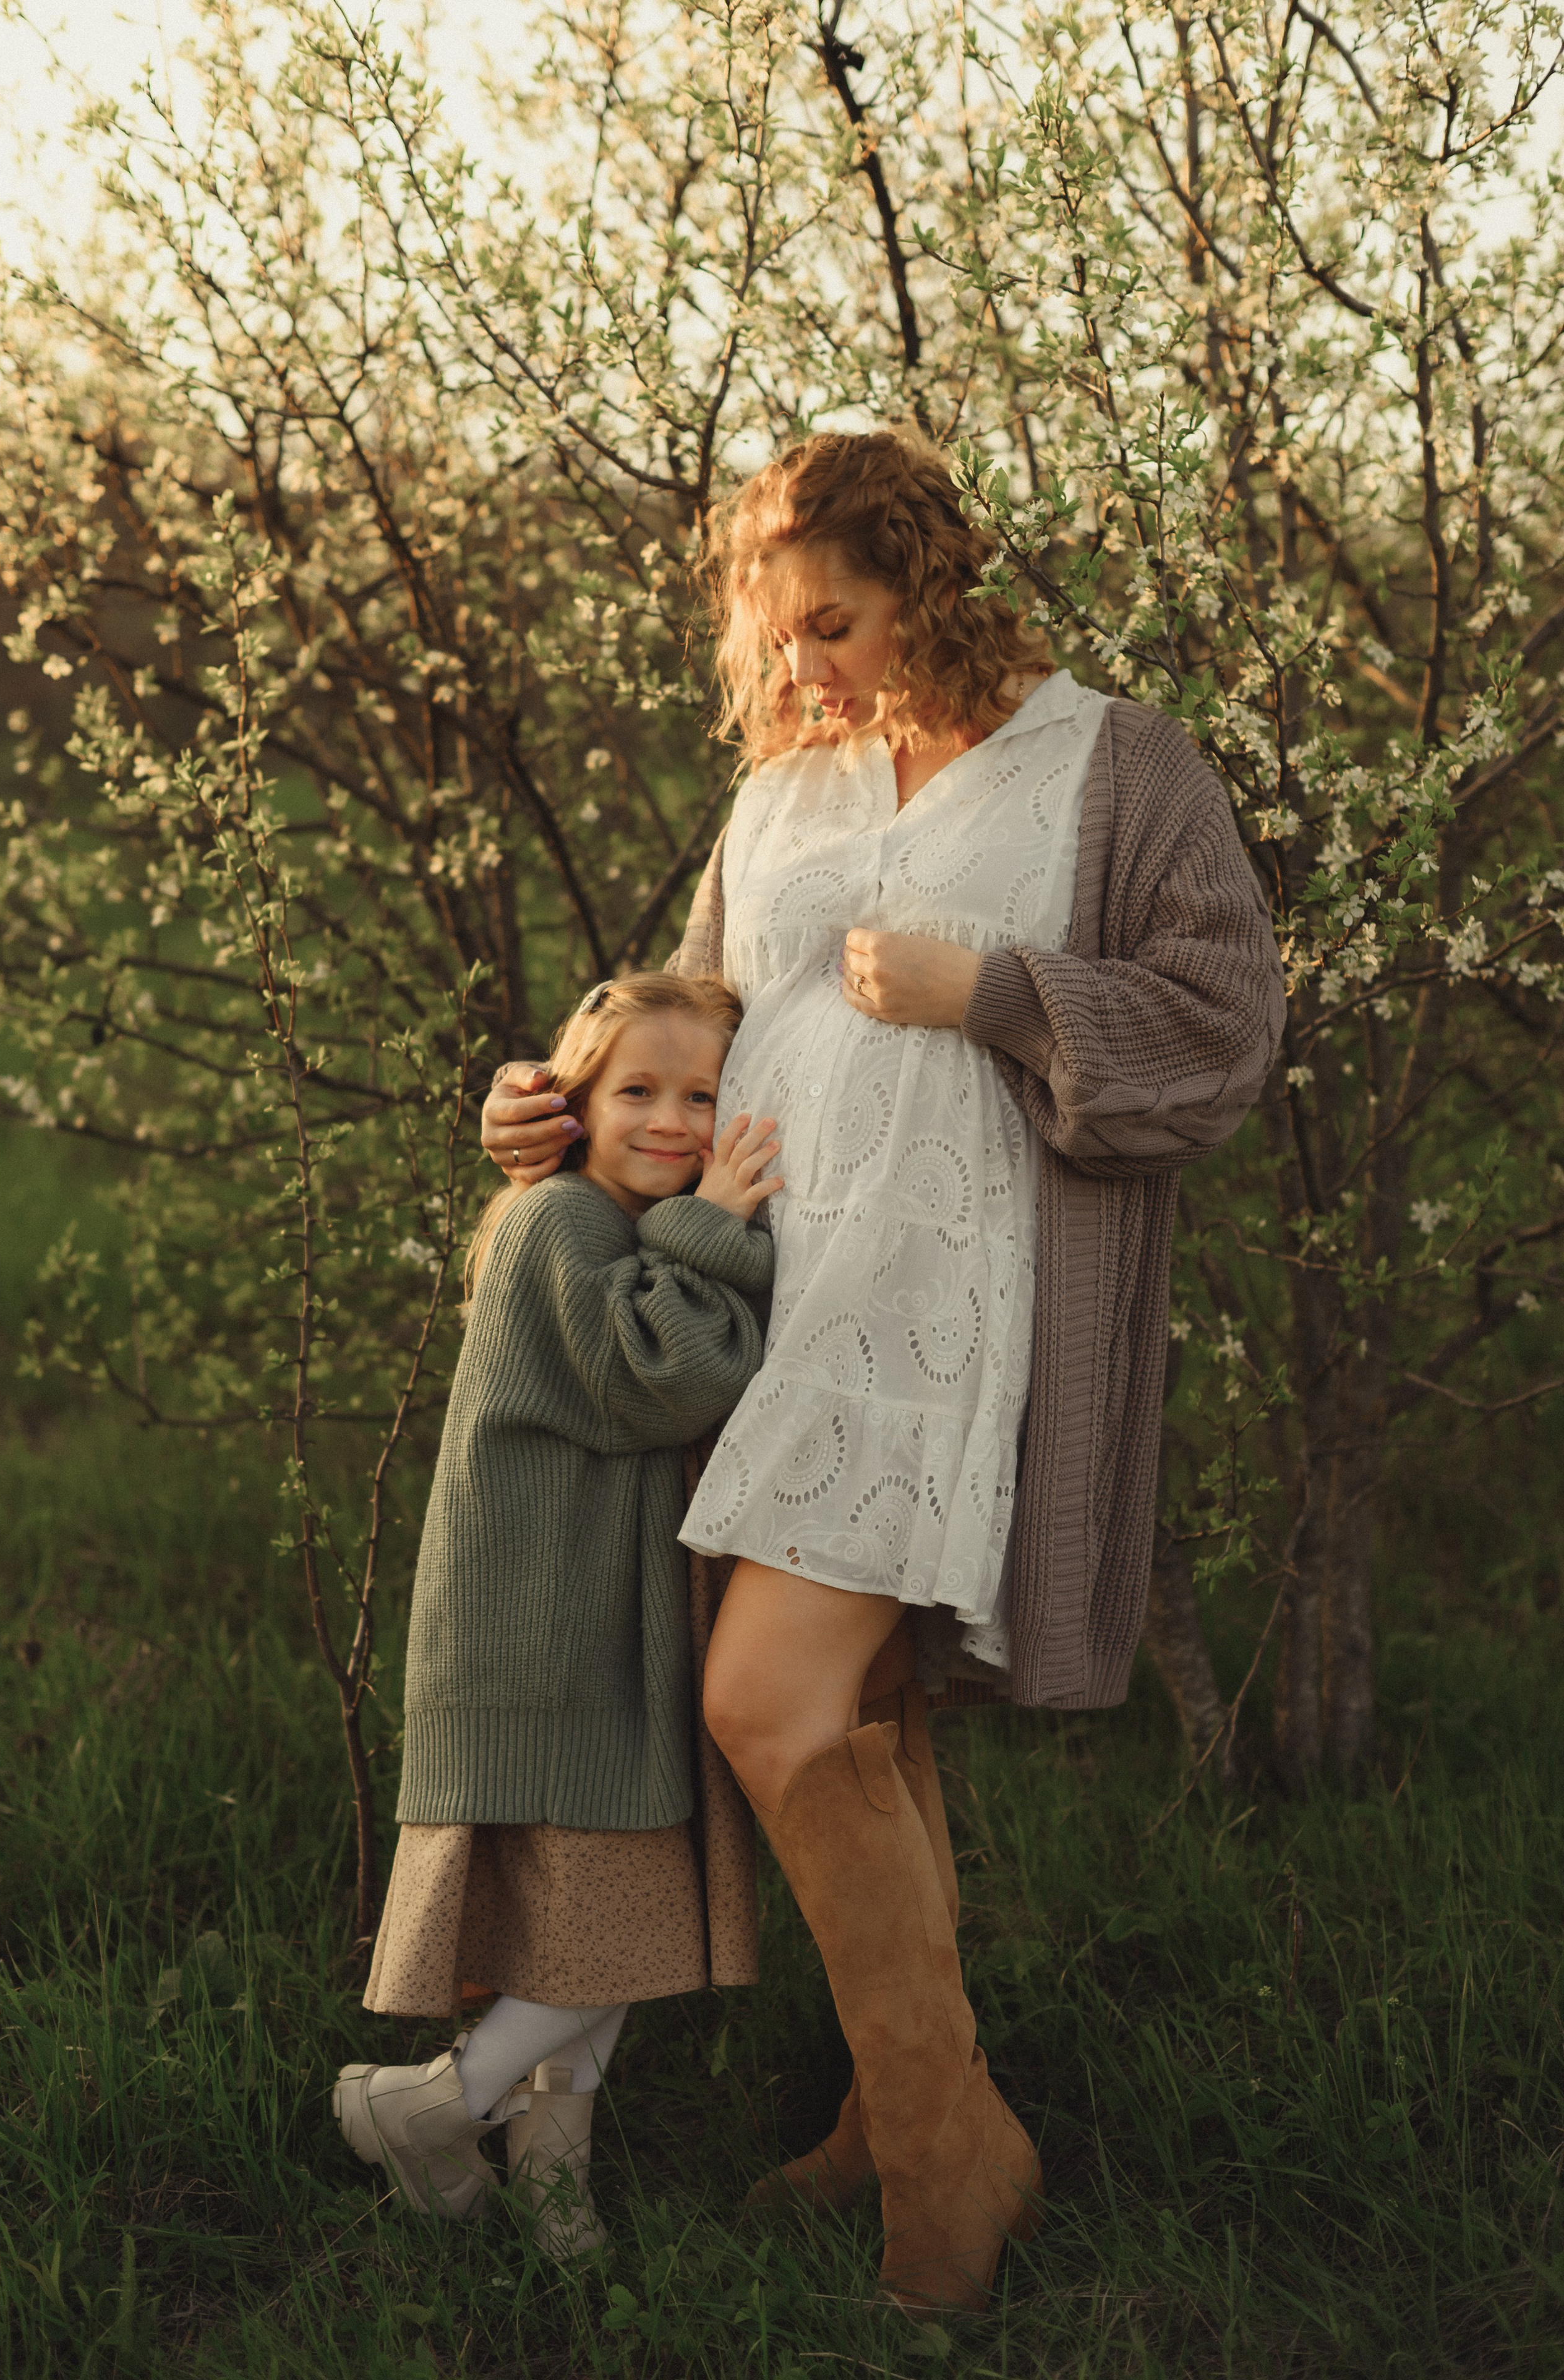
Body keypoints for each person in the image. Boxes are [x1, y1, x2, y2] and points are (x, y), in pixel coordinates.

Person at [482, 428, 1286, 2312]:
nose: (803, 667)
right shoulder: (783, 787)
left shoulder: (1115, 764)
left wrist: (991, 992)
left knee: (764, 1702)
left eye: (831, 625)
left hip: (947, 1316)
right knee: (857, 1716)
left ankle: (946, 2153)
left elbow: (1224, 1022)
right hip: (776, 1306)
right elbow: (692, 1022)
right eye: (775, 636)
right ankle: (899, 2118)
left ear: (925, 583)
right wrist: (564, 1114)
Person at [335, 972, 780, 2255]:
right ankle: (430, 2104)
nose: (672, 1120)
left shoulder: (613, 1222)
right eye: (637, 1089)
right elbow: (666, 1376)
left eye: (702, 1096)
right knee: (608, 1930)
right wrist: (714, 1226)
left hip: (597, 1621)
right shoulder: (558, 1221)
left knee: (594, 1920)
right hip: (545, 1634)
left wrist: (690, 1232)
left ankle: (550, 2181)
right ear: (574, 1104)